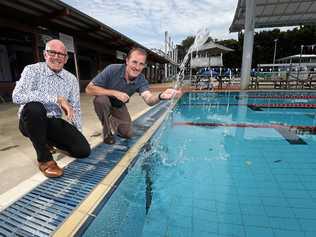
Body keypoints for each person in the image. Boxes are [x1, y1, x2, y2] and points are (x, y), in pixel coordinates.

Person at [12, 39, 91, 178]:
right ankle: (44, 159)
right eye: (52, 52)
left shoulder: (71, 79)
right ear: (45, 54)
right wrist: (57, 98)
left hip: (53, 120)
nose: (56, 57)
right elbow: (17, 97)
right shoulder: (32, 70)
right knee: (34, 107)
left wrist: (77, 132)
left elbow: (76, 108)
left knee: (82, 150)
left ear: (66, 58)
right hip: (30, 120)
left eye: (61, 54)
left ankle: (45, 140)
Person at [85, 47, 180, 144]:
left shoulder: (141, 80)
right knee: (101, 101)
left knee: (127, 133)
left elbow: (148, 99)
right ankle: (107, 131)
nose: (137, 67)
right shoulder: (112, 69)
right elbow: (89, 89)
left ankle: (111, 118)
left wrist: (160, 96)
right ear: (127, 61)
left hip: (119, 105)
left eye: (141, 64)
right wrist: (114, 93)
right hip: (105, 100)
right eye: (134, 62)